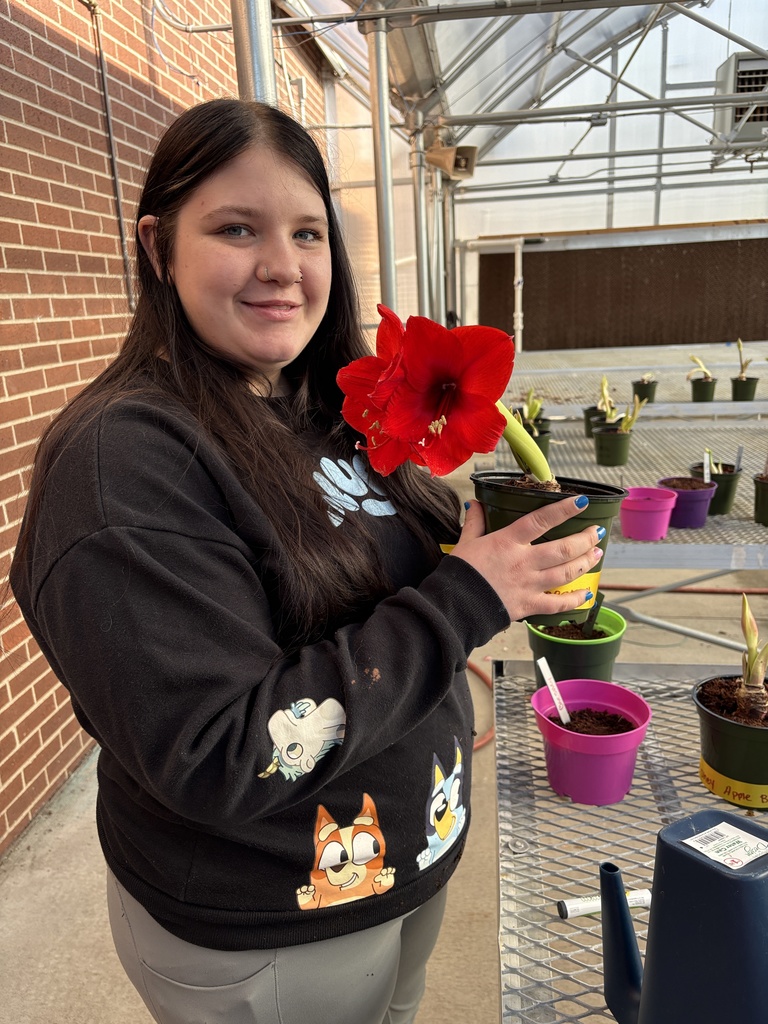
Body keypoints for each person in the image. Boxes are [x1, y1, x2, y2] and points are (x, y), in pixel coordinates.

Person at [9, 98, 604, 1024]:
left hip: (402, 865)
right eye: (236, 229)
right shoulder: (124, 464)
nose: (283, 267)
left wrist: (469, 548)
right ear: (158, 247)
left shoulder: (324, 402)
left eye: (308, 232)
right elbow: (221, 756)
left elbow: (380, 572)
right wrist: (463, 602)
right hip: (272, 924)